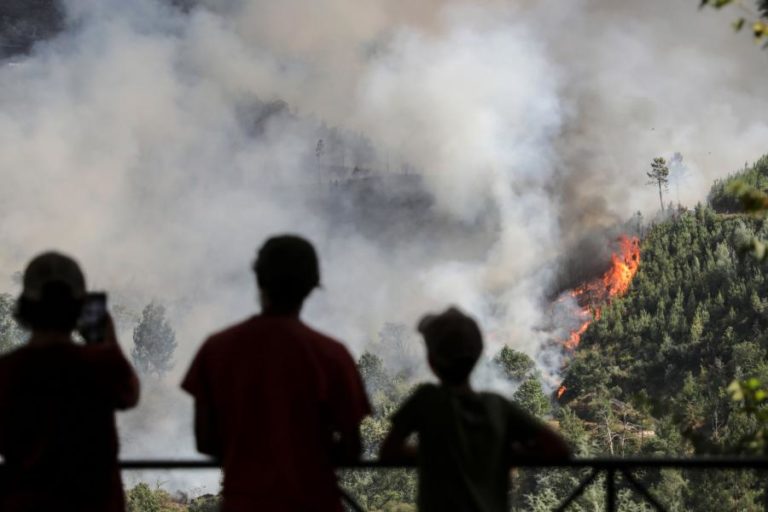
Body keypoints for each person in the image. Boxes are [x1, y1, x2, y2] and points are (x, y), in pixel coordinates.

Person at [182, 234, 371, 512]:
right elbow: (353, 447)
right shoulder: (332, 355)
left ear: (259, 280)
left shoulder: (217, 349)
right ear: (311, 286)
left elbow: (206, 440)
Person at [379, 307, 571, 512]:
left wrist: (433, 455)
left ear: (431, 361)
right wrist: (498, 455)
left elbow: (389, 451)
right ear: (477, 357)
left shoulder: (426, 400)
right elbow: (558, 449)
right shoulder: (497, 406)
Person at [0, 252, 139, 512]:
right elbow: (129, 394)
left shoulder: (7, 371)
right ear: (79, 308)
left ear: (26, 307)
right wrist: (107, 344)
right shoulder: (100, 366)